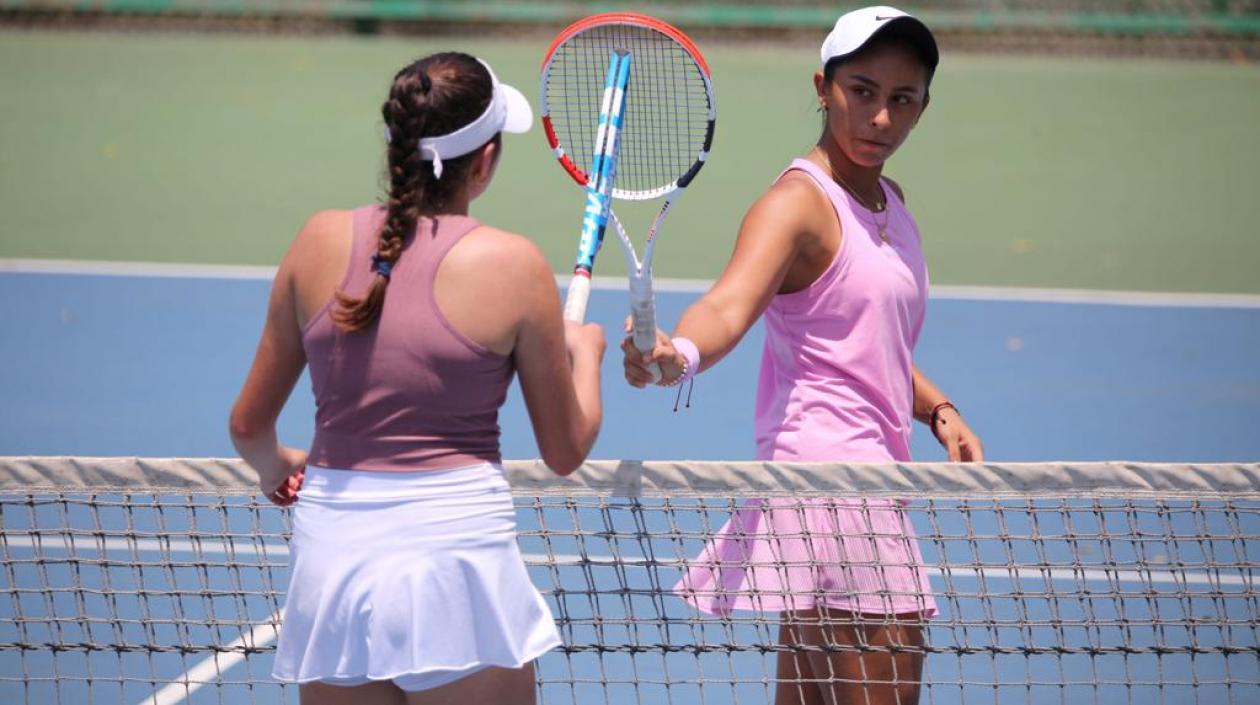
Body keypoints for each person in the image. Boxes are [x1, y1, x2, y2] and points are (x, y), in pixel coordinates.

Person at [622, 7, 984, 705]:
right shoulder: (797, 203)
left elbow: (863, 342)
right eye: (862, 91)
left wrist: (936, 407)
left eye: (901, 99)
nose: (879, 117)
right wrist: (680, 353)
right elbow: (731, 303)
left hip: (843, 484)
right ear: (824, 87)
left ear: (922, 109)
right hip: (840, 487)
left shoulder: (890, 201)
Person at [229, 52, 605, 705]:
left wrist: (279, 465)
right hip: (456, 568)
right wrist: (588, 354)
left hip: (332, 566)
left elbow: (247, 425)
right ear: (484, 161)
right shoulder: (512, 264)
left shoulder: (317, 239)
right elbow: (566, 449)